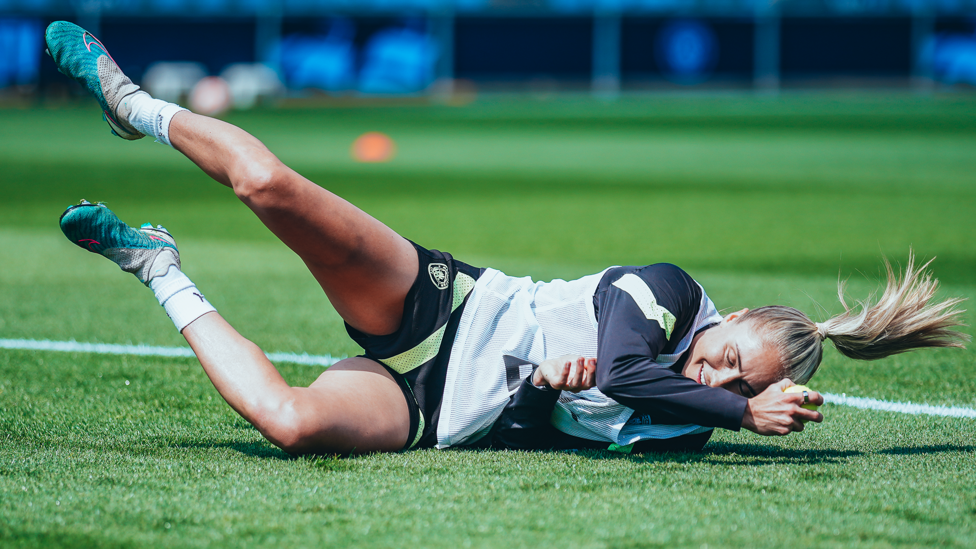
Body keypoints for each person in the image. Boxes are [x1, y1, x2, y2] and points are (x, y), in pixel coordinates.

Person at [46, 22, 969, 456]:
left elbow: (569, 414)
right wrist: (734, 414)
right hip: (444, 303)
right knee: (270, 187)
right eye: (730, 357)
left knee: (289, 423)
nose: (720, 379)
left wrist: (540, 394)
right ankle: (137, 106)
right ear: (730, 318)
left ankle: (153, 262)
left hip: (447, 409)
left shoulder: (684, 426)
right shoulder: (672, 291)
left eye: (742, 386)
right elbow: (623, 367)